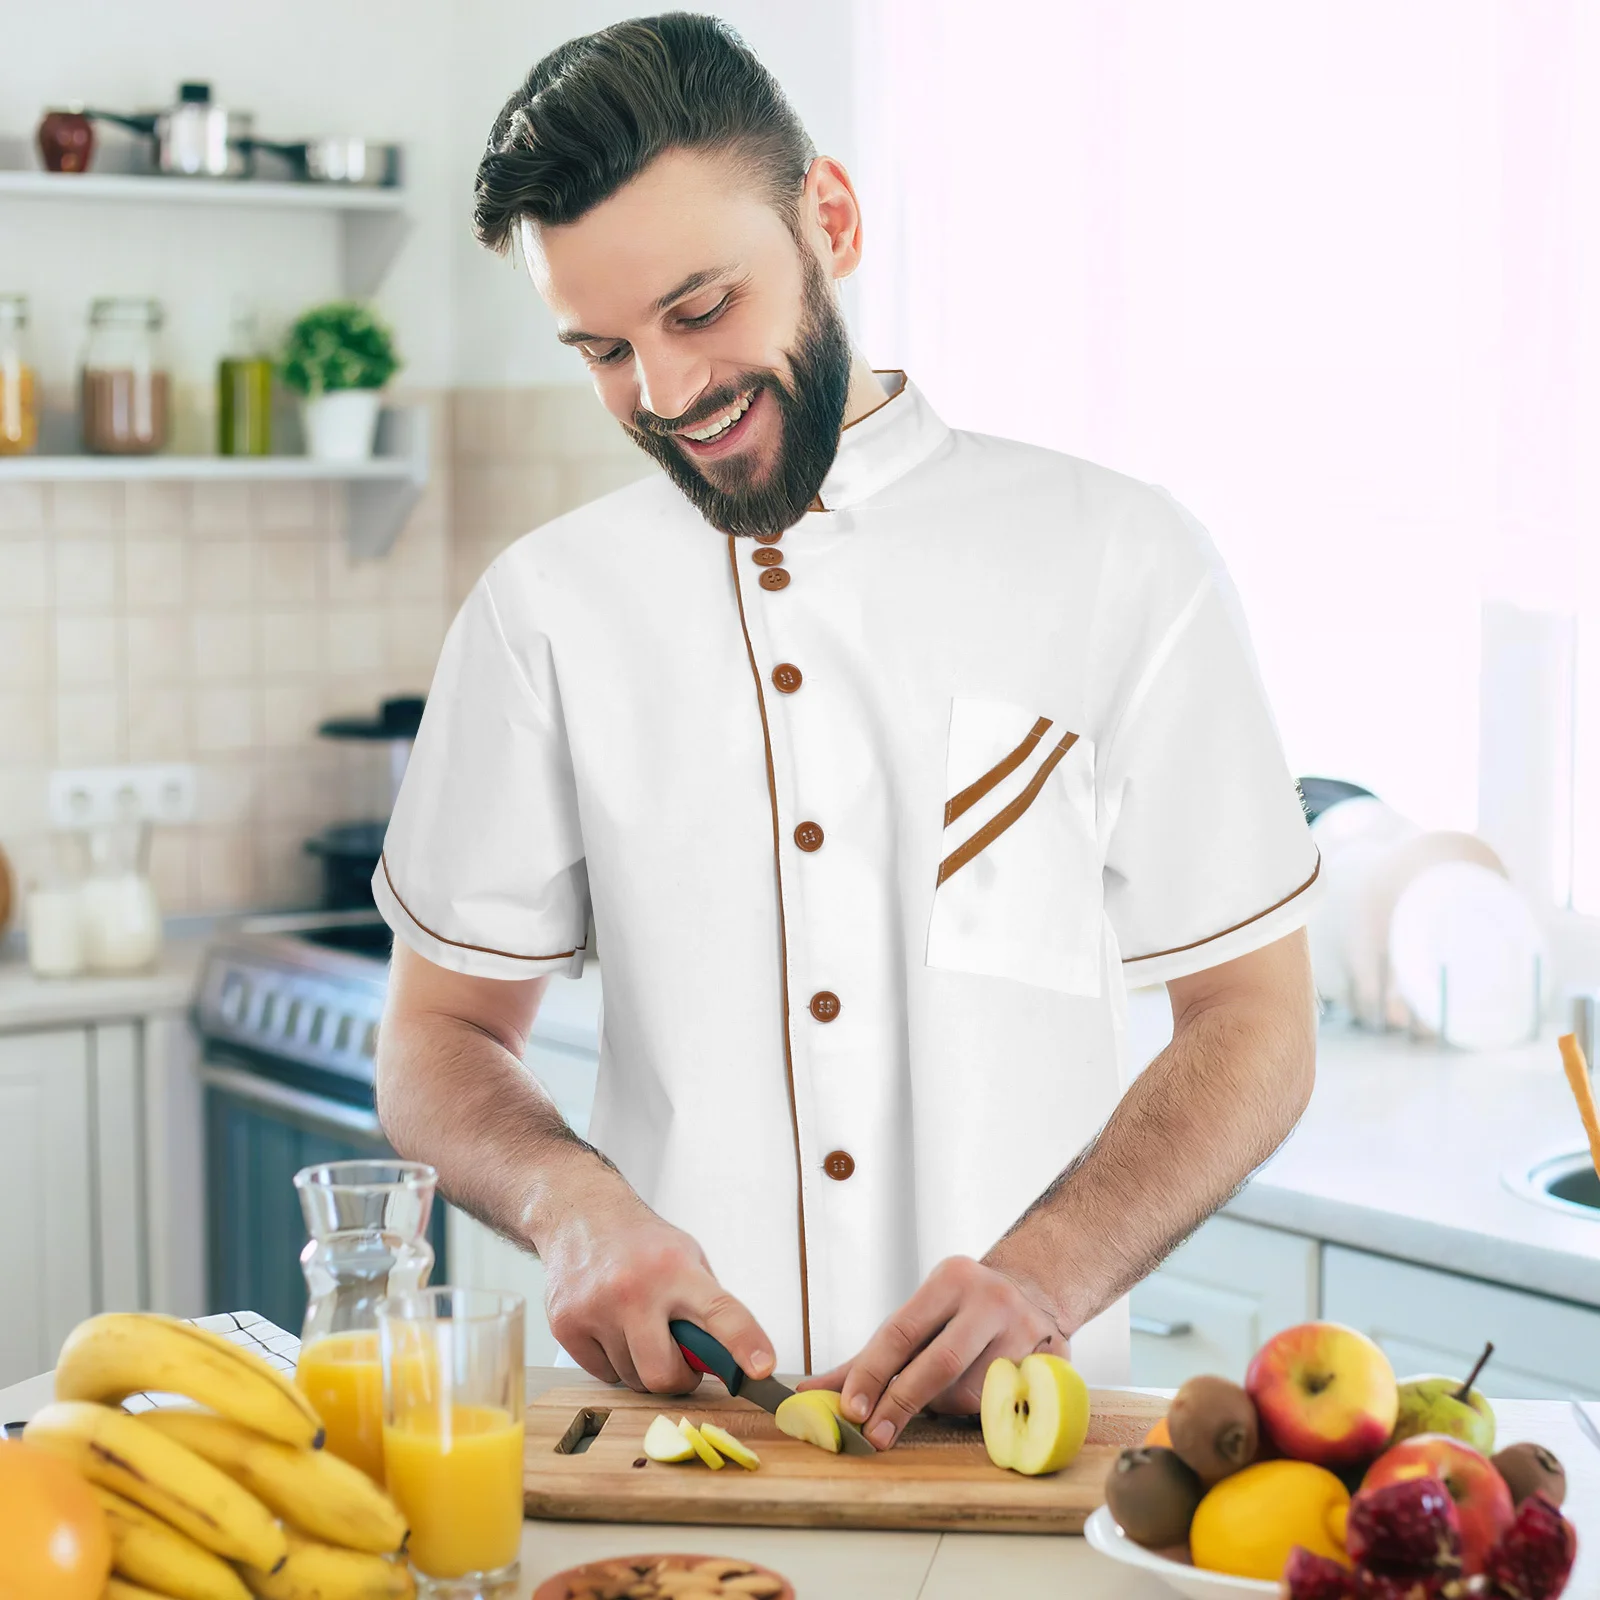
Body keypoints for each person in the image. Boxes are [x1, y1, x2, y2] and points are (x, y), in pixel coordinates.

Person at [373, 13, 1319, 1453]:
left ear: (831, 216)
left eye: (699, 311)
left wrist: (1050, 1273)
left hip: (1025, 1462)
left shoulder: (1121, 560)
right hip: (678, 1454)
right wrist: (574, 1211)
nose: (669, 394)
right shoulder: (543, 611)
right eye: (606, 350)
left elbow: (1256, 1020)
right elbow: (437, 1038)